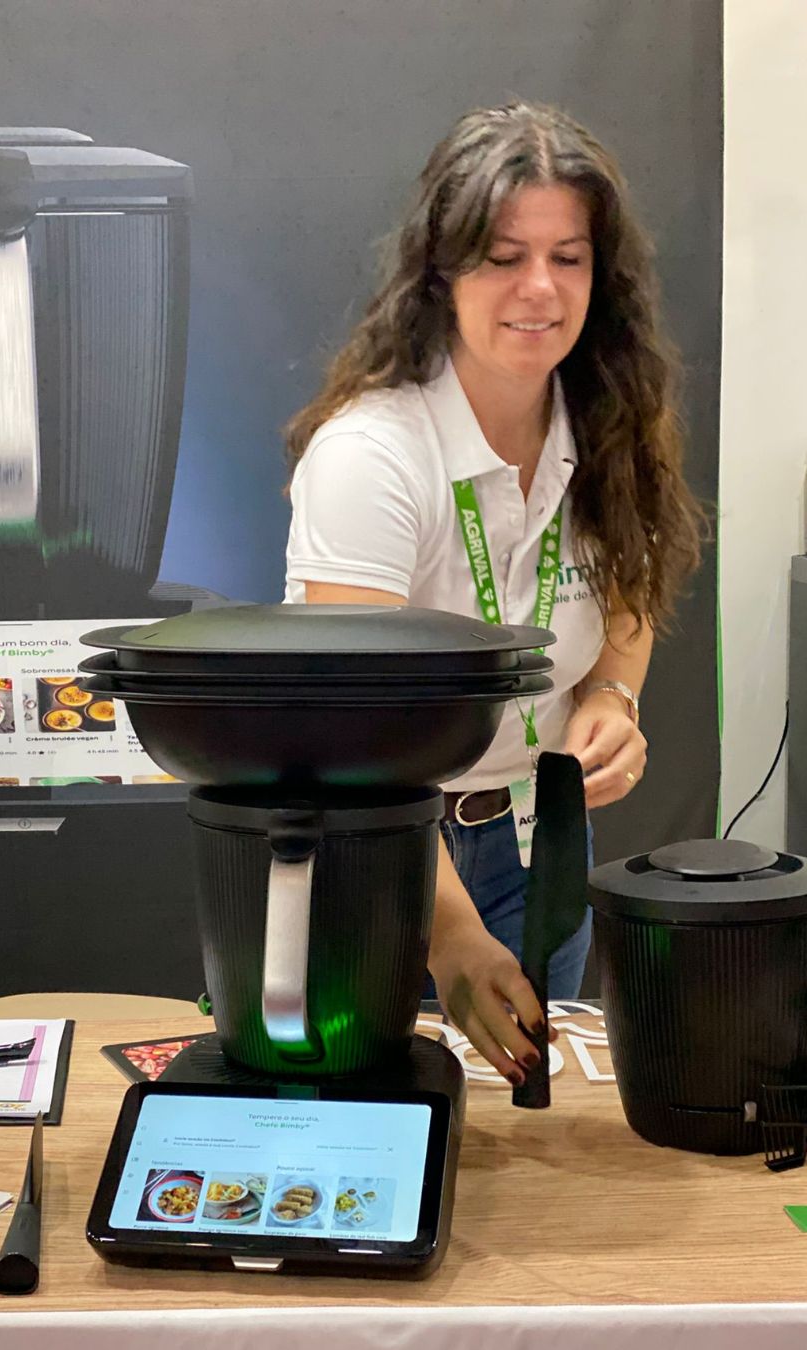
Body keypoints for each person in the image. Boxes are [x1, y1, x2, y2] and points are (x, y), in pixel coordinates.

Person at [283, 101, 703, 1085]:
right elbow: (349, 735)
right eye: (505, 256)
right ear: (442, 272)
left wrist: (614, 695)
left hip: (539, 837)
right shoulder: (373, 455)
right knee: (371, 1123)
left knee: (529, 1125)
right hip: (380, 843)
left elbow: (631, 588)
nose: (540, 288)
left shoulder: (613, 421)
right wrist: (449, 934)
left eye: (569, 257)